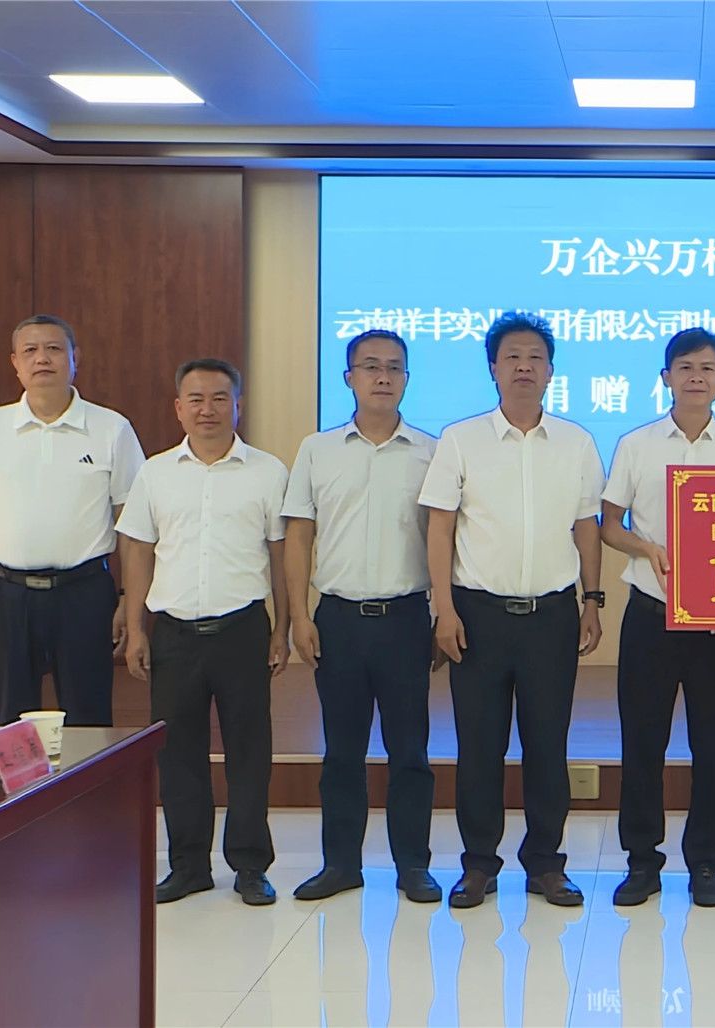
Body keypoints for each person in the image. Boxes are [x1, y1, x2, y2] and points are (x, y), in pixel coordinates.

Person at [421, 311, 605, 910]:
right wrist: (444, 609)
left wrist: (592, 601)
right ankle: (478, 864)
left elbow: (586, 527)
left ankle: (547, 864)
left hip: (552, 616)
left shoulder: (577, 442)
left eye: (535, 358)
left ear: (551, 371)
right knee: (479, 747)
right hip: (478, 615)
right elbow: (440, 528)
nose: (524, 367)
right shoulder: (460, 439)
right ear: (493, 369)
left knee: (548, 746)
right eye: (512, 357)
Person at [119, 358, 290, 906]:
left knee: (249, 751)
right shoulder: (155, 473)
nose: (207, 409)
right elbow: (139, 551)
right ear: (178, 407)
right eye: (195, 399)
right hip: (173, 632)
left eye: (220, 398)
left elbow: (280, 555)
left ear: (238, 405)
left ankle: (250, 865)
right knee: (178, 754)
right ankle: (188, 865)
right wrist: (136, 627)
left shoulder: (268, 472)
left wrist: (283, 627)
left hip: (243, 628)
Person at [602, 328, 715, 909]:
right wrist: (646, 548)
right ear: (666, 377)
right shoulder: (636, 444)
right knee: (642, 744)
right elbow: (609, 525)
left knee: (714, 749)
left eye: (708, 368)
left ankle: (706, 865)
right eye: (686, 367)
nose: (697, 377)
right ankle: (642, 862)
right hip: (651, 613)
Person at [283, 330, 443, 905]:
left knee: (410, 752)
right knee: (342, 751)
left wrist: (443, 614)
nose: (382, 376)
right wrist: (298, 616)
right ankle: (341, 865)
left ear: (407, 379)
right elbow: (298, 537)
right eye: (370, 366)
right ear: (348, 377)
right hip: (339, 620)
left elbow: (446, 540)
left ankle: (413, 865)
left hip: (406, 618)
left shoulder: (432, 452)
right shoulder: (317, 449)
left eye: (394, 367)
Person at [0, 315, 144, 726]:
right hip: (5, 594)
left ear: (75, 359)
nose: (42, 359)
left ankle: (86, 774)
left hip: (84, 592)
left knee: (89, 718)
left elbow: (132, 527)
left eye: (54, 349)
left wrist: (129, 602)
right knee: (10, 721)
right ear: (15, 363)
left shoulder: (112, 428)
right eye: (30, 351)